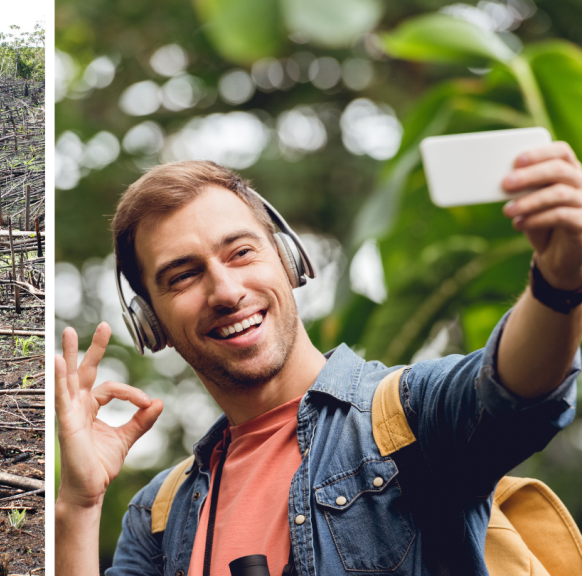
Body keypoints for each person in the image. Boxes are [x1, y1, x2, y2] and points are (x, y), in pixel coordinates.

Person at [55, 145, 582, 576]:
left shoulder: (408, 417)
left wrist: (559, 282)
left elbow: (514, 390)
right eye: (183, 275)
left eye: (241, 252)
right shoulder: (160, 516)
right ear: (151, 324)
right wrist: (78, 507)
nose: (225, 289)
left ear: (287, 259)